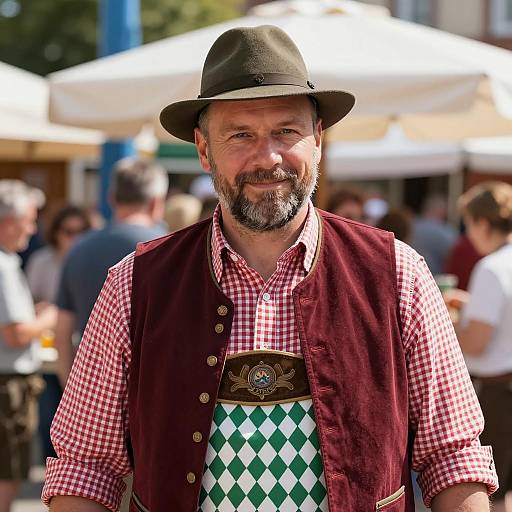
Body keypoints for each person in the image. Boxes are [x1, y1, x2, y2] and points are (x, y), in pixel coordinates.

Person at [43, 26, 497, 512]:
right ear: (203, 149)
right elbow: (84, 466)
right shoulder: (134, 284)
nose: (269, 157)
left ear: (318, 140)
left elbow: (452, 456)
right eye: (240, 134)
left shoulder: (398, 273)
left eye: (287, 131)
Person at [53, 157, 168, 387]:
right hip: (153, 388)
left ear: (112, 198)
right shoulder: (170, 249)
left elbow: (62, 332)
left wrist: (72, 388)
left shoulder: (78, 249)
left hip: (94, 386)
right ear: (156, 203)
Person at [445, 182, 512, 512]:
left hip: (497, 393)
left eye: (469, 223)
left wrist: (446, 319)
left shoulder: (491, 267)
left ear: (484, 224)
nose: (468, 233)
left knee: (492, 495)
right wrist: (471, 306)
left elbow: (477, 342)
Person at [0, 180, 57, 512]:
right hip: (9, 387)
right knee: (9, 469)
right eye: (29, 220)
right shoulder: (5, 266)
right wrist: (50, 319)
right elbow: (16, 334)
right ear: (10, 222)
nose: (33, 228)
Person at [25, 205, 91, 461]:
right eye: (68, 231)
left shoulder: (88, 259)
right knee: (47, 421)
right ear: (56, 233)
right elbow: (27, 303)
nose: (74, 237)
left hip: (83, 353)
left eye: (81, 230)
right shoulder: (42, 261)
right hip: (47, 354)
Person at [411, 194, 457, 276]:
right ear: (442, 211)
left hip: (411, 274)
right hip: (435, 277)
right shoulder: (444, 231)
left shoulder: (411, 225)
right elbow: (455, 253)